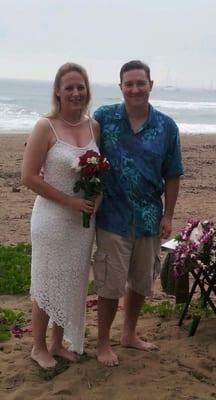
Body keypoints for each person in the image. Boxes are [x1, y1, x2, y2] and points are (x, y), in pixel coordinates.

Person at [93, 60, 183, 366]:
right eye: (128, 84)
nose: (135, 89)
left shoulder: (167, 127)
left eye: (140, 83)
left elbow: (172, 175)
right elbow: (78, 143)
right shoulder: (103, 118)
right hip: (111, 217)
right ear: (120, 87)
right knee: (109, 284)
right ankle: (103, 343)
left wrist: (168, 215)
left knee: (141, 282)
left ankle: (129, 334)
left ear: (151, 85)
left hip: (148, 217)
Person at [22, 62, 100, 369]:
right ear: (58, 91)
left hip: (83, 221)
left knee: (71, 282)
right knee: (47, 281)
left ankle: (57, 342)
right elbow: (29, 177)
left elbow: (99, 173)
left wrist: (97, 198)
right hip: (52, 218)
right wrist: (69, 201)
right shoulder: (46, 126)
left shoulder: (94, 126)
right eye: (69, 87)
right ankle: (38, 346)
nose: (76, 93)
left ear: (87, 90)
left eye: (80, 87)